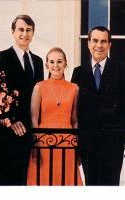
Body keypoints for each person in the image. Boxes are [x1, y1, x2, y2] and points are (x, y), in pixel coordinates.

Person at [71, 26, 125, 185]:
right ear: (88, 43)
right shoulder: (78, 72)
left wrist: (123, 136)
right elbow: (75, 108)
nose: (99, 45)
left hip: (113, 141)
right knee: (91, 184)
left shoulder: (122, 69)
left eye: (103, 41)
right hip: (88, 142)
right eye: (95, 40)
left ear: (109, 44)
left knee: (111, 185)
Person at [0, 15, 44, 185]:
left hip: (30, 130)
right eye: (21, 29)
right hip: (9, 132)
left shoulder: (37, 61)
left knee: (28, 180)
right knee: (9, 180)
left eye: (29, 30)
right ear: (13, 32)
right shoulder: (0, 58)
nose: (25, 34)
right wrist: (11, 120)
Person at [26, 47, 83, 186]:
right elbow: (34, 119)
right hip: (44, 140)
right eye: (52, 62)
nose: (55, 65)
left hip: (68, 140)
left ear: (65, 63)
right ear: (47, 65)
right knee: (43, 180)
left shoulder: (74, 88)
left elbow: (74, 120)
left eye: (59, 61)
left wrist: (77, 147)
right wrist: (35, 146)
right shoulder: (39, 87)